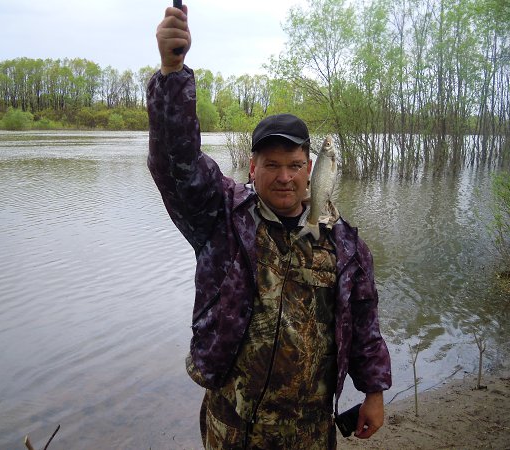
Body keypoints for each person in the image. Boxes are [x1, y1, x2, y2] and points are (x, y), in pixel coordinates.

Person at [148, 5, 392, 449]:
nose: (284, 177)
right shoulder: (221, 217)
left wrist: (374, 392)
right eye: (272, 165)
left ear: (312, 170)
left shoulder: (344, 243)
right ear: (251, 167)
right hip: (233, 427)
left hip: (311, 430)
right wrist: (172, 72)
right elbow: (175, 161)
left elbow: (363, 320)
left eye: (295, 165)